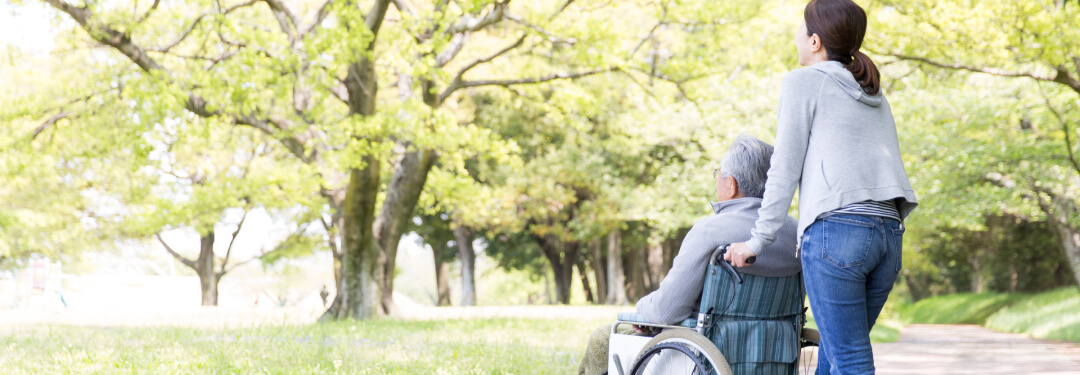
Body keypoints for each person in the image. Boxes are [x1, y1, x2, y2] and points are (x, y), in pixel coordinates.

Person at [724, 1, 918, 374]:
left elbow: (783, 168)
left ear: (815, 41)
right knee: (833, 353)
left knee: (849, 360)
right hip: (888, 236)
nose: (796, 37)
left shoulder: (804, 82)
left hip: (839, 233)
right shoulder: (874, 93)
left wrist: (756, 242)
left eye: (800, 30)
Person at [578, 135, 801, 375]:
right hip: (775, 353)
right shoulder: (796, 232)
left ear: (731, 184)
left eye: (719, 174)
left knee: (602, 338)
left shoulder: (710, 230)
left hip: (703, 352)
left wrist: (642, 309)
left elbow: (665, 311)